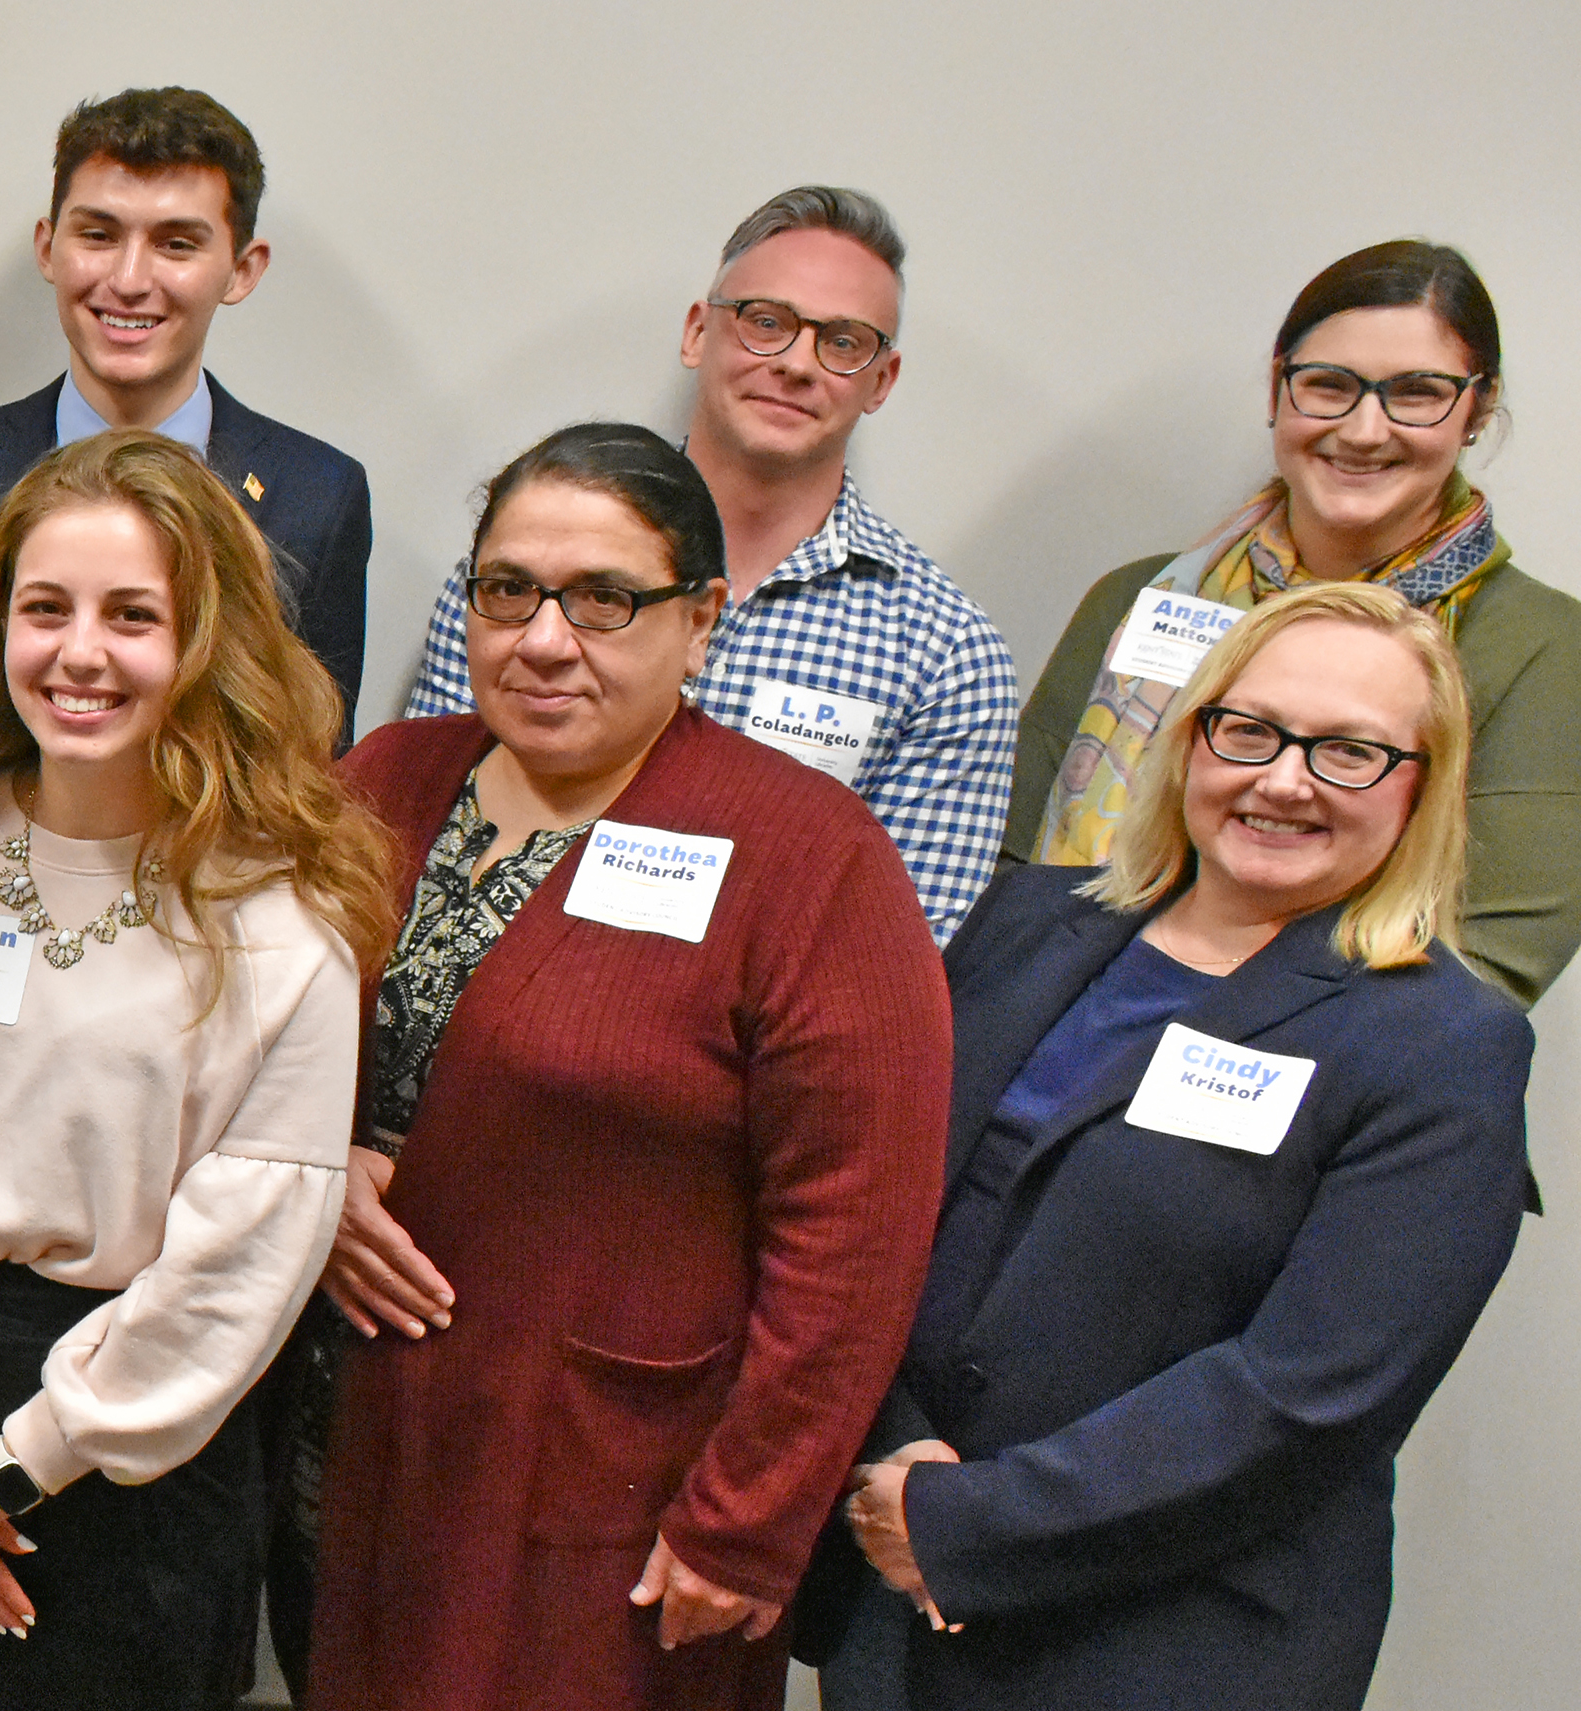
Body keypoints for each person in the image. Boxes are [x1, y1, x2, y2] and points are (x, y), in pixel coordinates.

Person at [311, 423, 947, 1711]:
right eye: (509, 591)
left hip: (614, 1490)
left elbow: (857, 1229)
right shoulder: (384, 781)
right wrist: (309, 1180)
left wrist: (749, 1516)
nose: (545, 638)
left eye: (605, 598)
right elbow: (236, 1041)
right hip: (350, 1438)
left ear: (702, 619)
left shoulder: (805, 853)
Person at [808, 583, 1531, 1709]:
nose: (1282, 778)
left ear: (1420, 790)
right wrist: (898, 1463)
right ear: (1191, 737)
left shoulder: (1444, 1044)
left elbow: (1311, 1393)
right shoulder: (1030, 922)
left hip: (1168, 1641)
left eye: (1348, 752)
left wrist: (974, 1522)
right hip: (902, 1588)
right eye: (1248, 730)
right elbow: (878, 1209)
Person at [0, 428, 382, 1710]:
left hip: (131, 1451)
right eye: (44, 608)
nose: (79, 653)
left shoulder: (283, 921)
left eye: (133, 616)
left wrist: (1, 1476)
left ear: (205, 645)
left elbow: (244, 1256)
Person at [407, 187, 1018, 942]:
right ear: (699, 331)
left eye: (844, 342)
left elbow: (891, 955)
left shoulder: (947, 653)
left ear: (881, 380)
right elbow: (422, 821)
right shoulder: (523, 576)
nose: (797, 363)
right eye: (766, 322)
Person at [1009, 240, 1580, 1005]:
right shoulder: (1133, 599)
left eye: (1416, 392)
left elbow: (1486, 977)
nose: (1365, 429)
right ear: (1278, 389)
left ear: (1476, 406)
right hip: (1054, 1039)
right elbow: (1011, 890)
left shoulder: (1545, 650)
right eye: (1329, 384)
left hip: (1320, 1091)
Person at [0, 87, 372, 725]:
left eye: (176, 244)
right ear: (47, 247)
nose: (130, 280)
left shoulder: (319, 496)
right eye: (98, 234)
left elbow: (316, 761)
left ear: (242, 270)